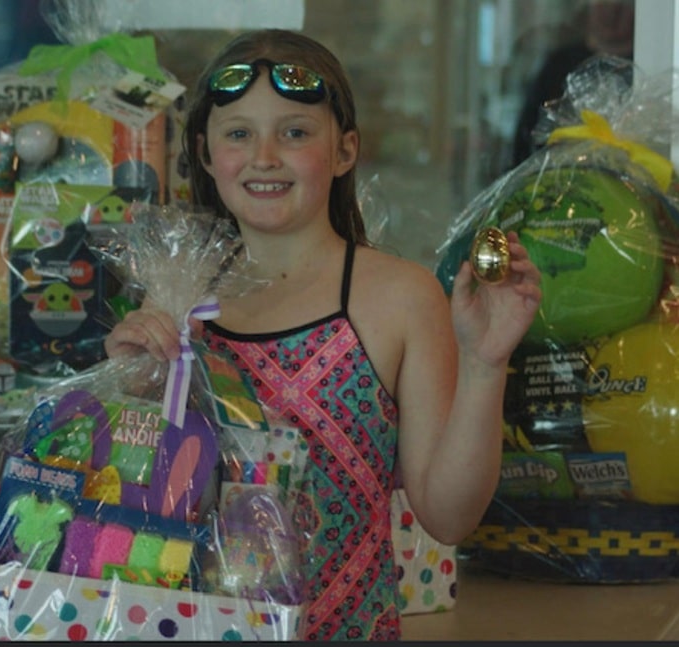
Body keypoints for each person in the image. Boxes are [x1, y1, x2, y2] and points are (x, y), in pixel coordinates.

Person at [105, 29, 541, 641]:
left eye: (295, 133)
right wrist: (126, 387)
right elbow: (132, 501)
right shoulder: (178, 298)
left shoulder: (400, 298)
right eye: (239, 134)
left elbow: (448, 517)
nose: (265, 156)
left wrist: (485, 364)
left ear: (344, 151)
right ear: (204, 154)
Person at [511, 0, 634, 166]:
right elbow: (529, 130)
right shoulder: (559, 64)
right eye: (602, 3)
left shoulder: (645, 63)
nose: (611, 13)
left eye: (621, 5)